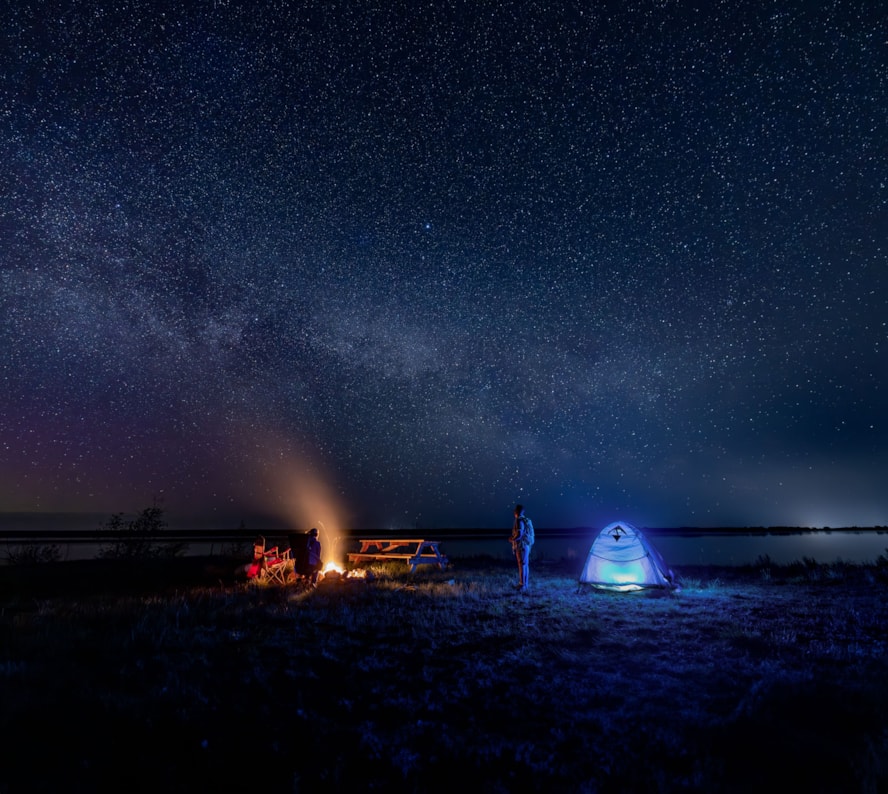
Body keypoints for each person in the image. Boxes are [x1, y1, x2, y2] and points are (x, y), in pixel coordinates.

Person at [509, 505, 534, 593]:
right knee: (525, 565)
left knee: (522, 565)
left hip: (521, 546)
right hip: (527, 545)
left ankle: (522, 585)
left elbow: (519, 534)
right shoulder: (526, 520)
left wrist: (512, 539)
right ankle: (525, 584)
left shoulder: (519, 520)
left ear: (516, 512)